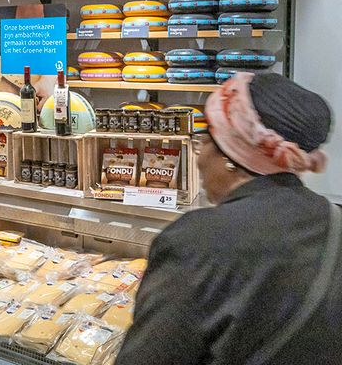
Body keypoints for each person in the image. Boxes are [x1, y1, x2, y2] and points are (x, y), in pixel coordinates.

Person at [116, 73, 337, 365]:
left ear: (230, 157)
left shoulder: (196, 241)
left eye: (205, 141)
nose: (198, 158)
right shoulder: (333, 221)